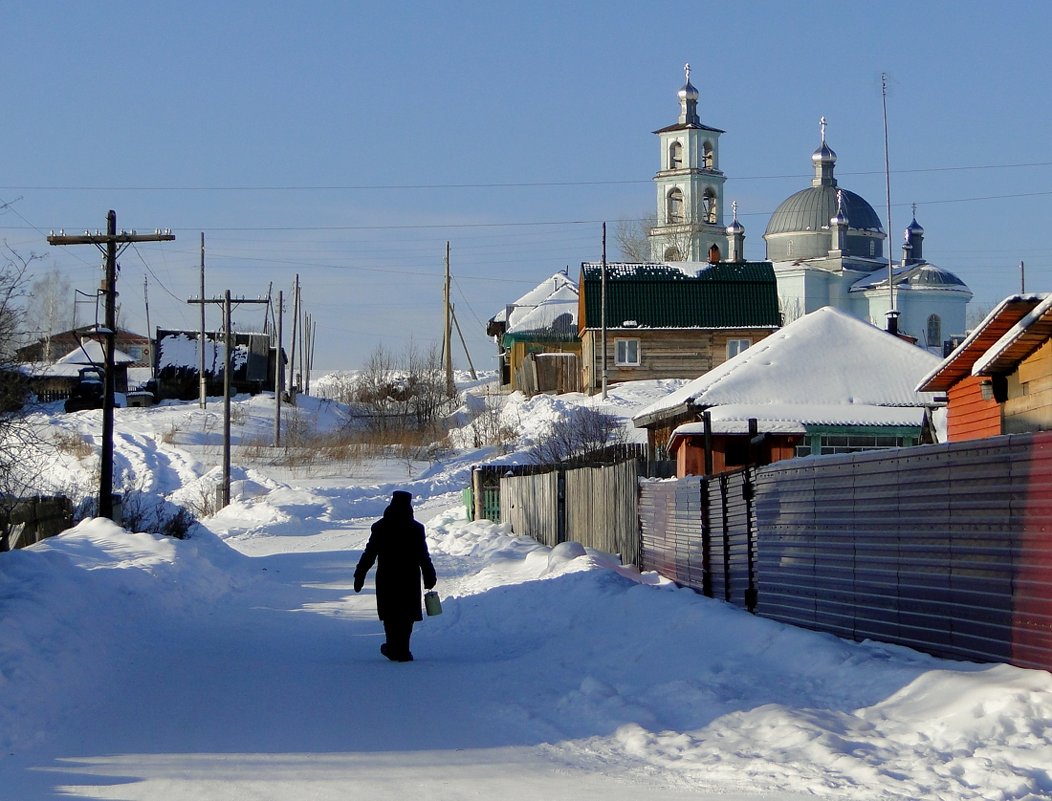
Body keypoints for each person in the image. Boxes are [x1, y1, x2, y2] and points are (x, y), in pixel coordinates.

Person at [353, 490, 437, 662]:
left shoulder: (380, 527)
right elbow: (423, 555)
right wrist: (429, 574)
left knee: (390, 614)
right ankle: (403, 650)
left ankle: (393, 647)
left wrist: (360, 573)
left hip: (387, 577)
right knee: (406, 615)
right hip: (409, 577)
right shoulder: (416, 528)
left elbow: (370, 552)